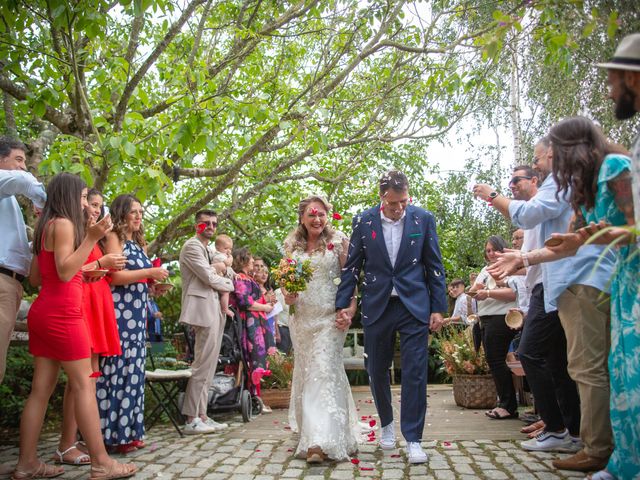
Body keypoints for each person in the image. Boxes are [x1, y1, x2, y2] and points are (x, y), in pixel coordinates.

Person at [493, 117, 638, 479]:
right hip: (611, 280)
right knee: (606, 368)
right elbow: (566, 244)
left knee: (593, 367)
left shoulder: (615, 167)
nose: (547, 162)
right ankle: (608, 450)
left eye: (552, 153)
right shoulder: (583, 189)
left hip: (600, 280)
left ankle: (598, 449)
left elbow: (632, 225)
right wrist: (523, 258)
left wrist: (591, 237)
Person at [476, 142, 609, 460]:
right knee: (559, 362)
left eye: (519, 178)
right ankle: (566, 427)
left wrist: (492, 196)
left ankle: (564, 430)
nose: (513, 186)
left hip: (563, 286)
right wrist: (520, 260)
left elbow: (544, 232)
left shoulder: (550, 198)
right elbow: (543, 249)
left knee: (532, 353)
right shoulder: (543, 211)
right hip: (548, 287)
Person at [14, 173, 136, 480]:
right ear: (70, 196)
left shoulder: (46, 226)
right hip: (64, 314)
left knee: (40, 391)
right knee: (84, 384)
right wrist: (93, 239)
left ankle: (26, 464)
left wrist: (89, 259)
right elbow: (67, 272)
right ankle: (101, 463)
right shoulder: (66, 225)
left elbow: (37, 278)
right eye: (83, 197)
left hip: (43, 311)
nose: (86, 202)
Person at [335, 170, 448, 464]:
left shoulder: (423, 219)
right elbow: (352, 267)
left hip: (414, 306)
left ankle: (413, 439)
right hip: (377, 304)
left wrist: (438, 307)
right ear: (381, 197)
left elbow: (434, 265)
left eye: (403, 202)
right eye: (393, 203)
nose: (399, 209)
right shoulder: (363, 221)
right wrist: (342, 304)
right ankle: (386, 423)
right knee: (376, 368)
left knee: (415, 371)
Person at [282, 195, 360, 463]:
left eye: (322, 214)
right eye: (312, 214)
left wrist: (350, 310)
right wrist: (287, 295)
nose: (317, 219)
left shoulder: (338, 242)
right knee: (308, 373)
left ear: (328, 216)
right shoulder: (291, 245)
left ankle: (318, 442)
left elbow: (350, 279)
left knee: (323, 371)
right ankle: (338, 435)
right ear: (302, 217)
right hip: (301, 318)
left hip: (330, 317)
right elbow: (285, 280)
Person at [54, 188, 126, 466]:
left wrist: (106, 264)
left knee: (89, 378)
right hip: (81, 304)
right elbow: (65, 271)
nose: (95, 209)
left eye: (99, 205)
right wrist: (102, 262)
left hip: (98, 303)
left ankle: (76, 438)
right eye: (91, 203)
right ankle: (66, 443)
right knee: (80, 381)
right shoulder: (73, 232)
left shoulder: (92, 234)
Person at [97, 195, 169, 454]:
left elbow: (138, 280)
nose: (138, 216)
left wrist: (153, 288)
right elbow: (115, 277)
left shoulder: (140, 243)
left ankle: (128, 432)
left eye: (141, 212)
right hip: (119, 313)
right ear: (121, 214)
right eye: (133, 212)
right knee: (115, 370)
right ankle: (108, 434)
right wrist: (149, 273)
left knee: (133, 374)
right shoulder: (113, 237)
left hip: (138, 315)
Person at [178, 209, 234, 435]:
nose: (210, 227)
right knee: (202, 363)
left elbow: (228, 272)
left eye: (213, 223)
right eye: (205, 223)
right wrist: (227, 283)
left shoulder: (210, 250)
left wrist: (222, 273)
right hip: (202, 308)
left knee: (210, 364)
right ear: (196, 225)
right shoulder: (192, 247)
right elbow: (209, 277)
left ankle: (202, 414)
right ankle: (191, 417)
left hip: (214, 307)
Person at [0, 136, 46, 385]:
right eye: (18, 159)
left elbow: (18, 251)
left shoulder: (8, 202)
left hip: (11, 285)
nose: (23, 167)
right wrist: (51, 204)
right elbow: (24, 180)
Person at [468, 236, 518, 420]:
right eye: (487, 251)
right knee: (493, 359)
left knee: (496, 359)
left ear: (502, 249)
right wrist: (476, 288)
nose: (490, 254)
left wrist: (488, 292)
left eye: (493, 250)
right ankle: (505, 402)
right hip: (485, 317)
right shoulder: (484, 269)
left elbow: (513, 293)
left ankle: (508, 405)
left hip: (502, 316)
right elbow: (474, 290)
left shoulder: (509, 267)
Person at [231, 247, 276, 411]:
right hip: (251, 325)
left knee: (256, 360)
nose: (253, 264)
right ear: (243, 261)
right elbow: (245, 302)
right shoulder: (242, 279)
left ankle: (256, 398)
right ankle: (254, 399)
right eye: (250, 260)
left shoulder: (248, 278)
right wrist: (265, 307)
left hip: (256, 322)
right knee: (252, 359)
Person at [212, 234, 235, 317]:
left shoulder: (223, 255)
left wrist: (235, 274)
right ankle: (225, 308)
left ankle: (224, 307)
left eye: (230, 249)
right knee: (226, 292)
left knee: (226, 292)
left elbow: (229, 268)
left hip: (221, 279)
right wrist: (231, 257)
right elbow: (228, 263)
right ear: (217, 248)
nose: (228, 251)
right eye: (226, 248)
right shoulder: (218, 256)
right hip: (217, 279)